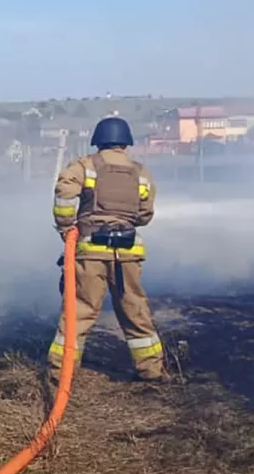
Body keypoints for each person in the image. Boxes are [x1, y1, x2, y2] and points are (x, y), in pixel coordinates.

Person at [46, 116, 168, 388]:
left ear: (98, 140)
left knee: (80, 310)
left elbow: (63, 192)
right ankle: (151, 371)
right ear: (126, 141)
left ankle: (60, 373)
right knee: (135, 309)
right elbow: (145, 214)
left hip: (90, 252)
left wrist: (66, 228)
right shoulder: (141, 172)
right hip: (128, 254)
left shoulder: (85, 166)